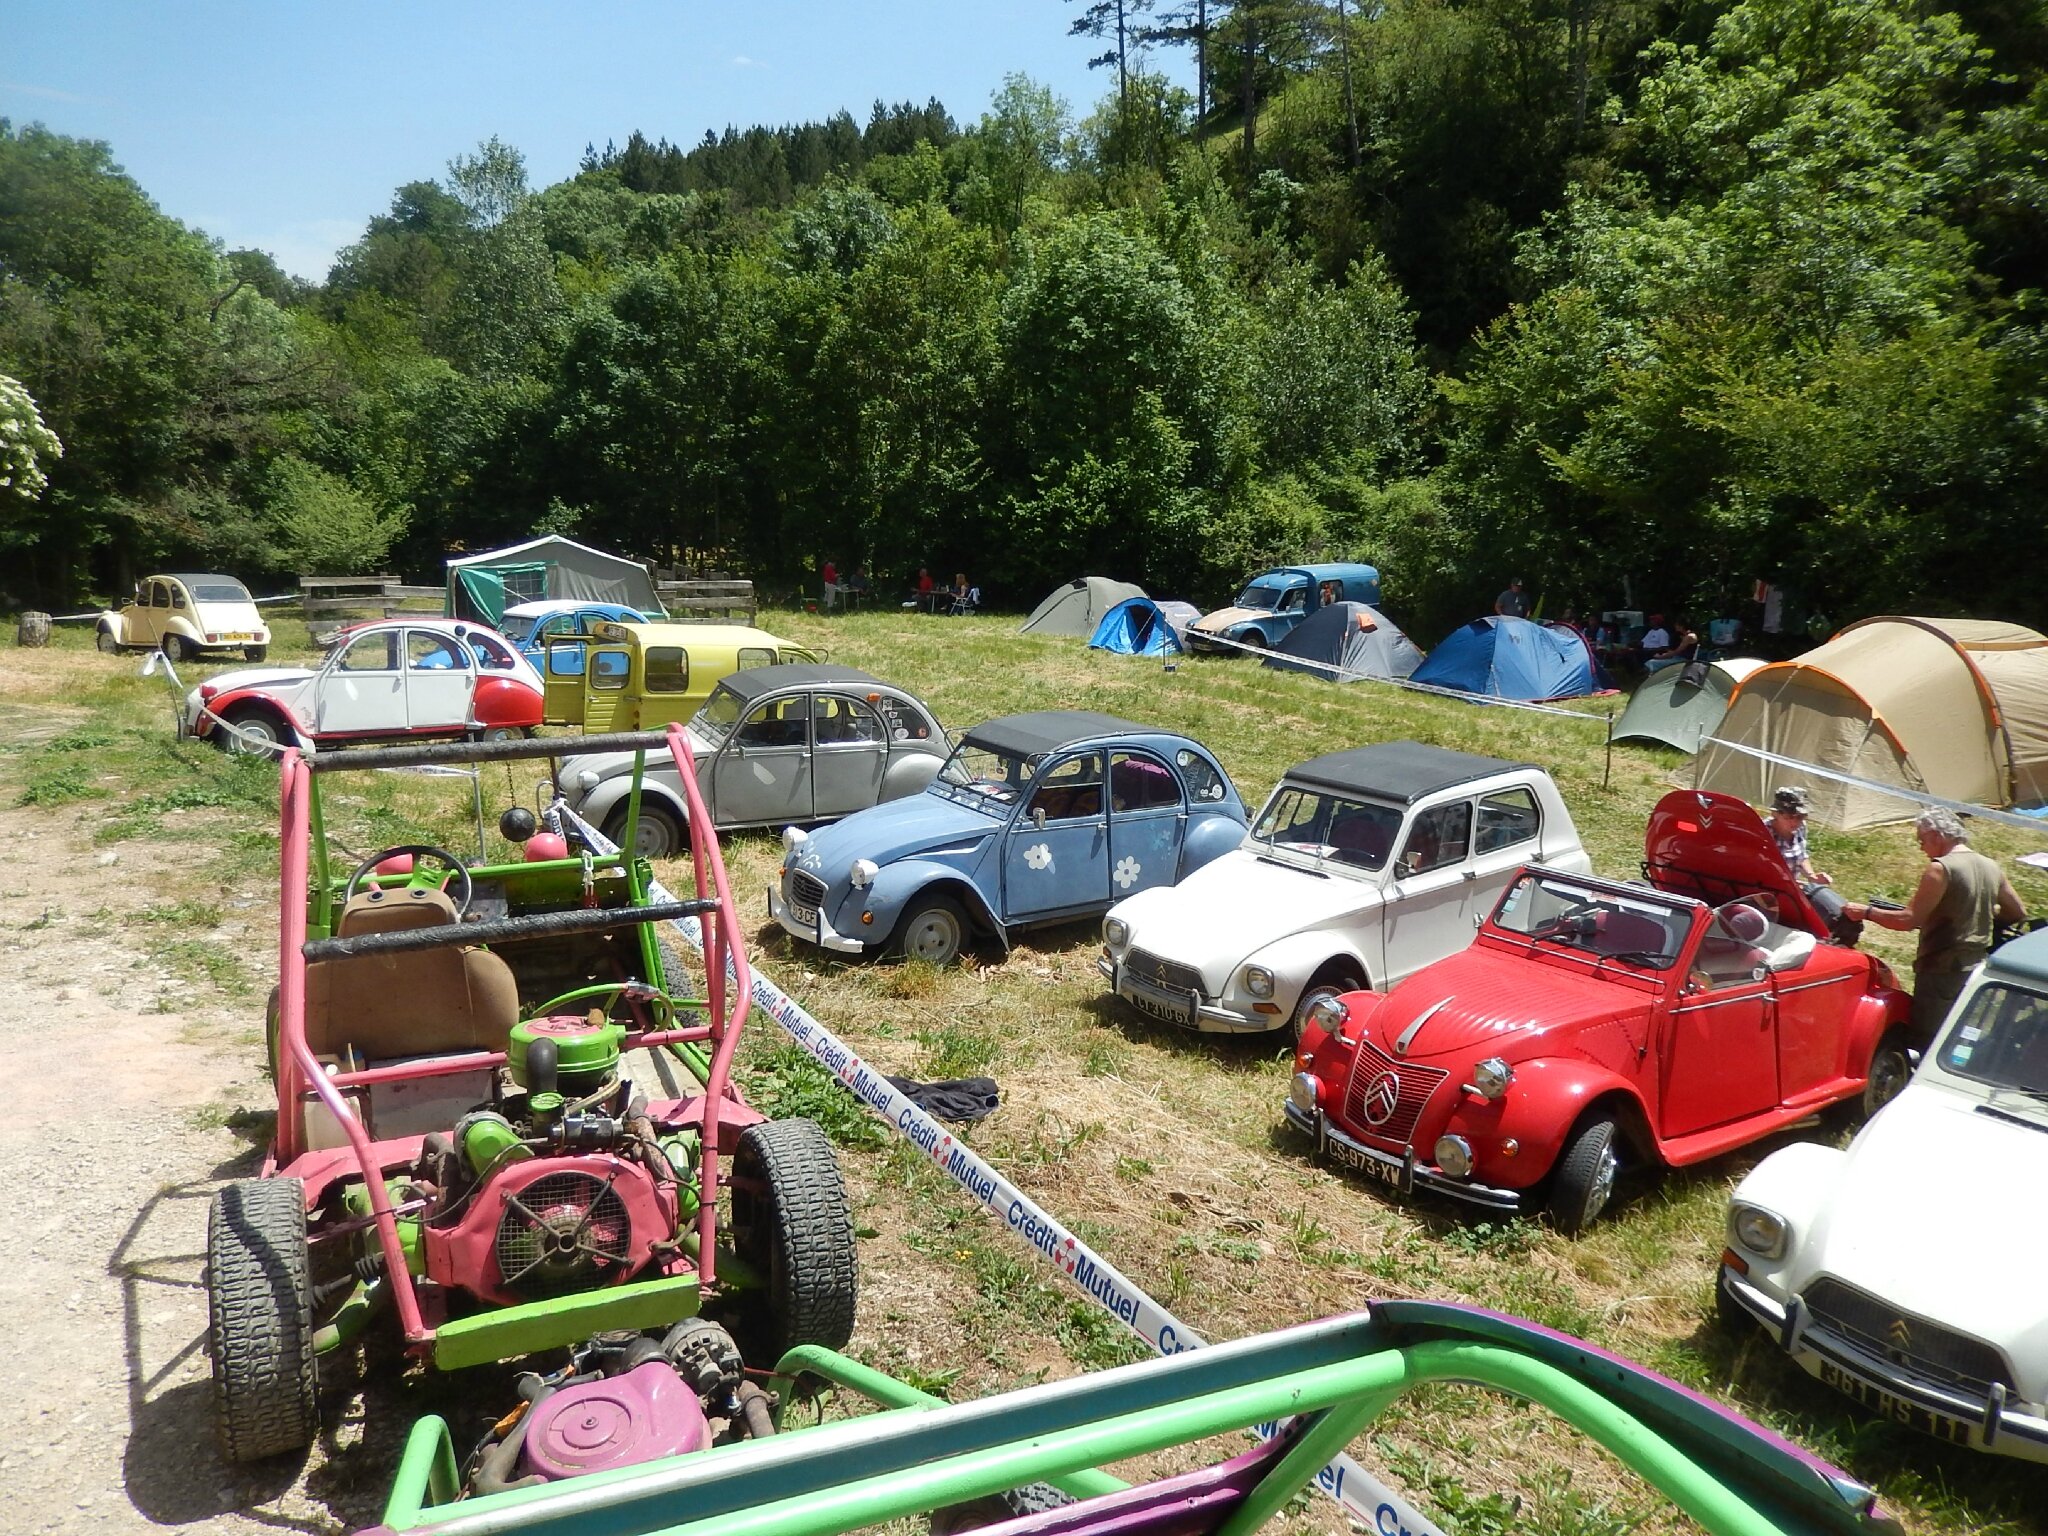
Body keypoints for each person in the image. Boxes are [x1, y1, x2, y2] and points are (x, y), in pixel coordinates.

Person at [1841, 807, 2026, 1047]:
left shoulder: (1940, 868)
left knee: (1928, 1039)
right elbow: (2018, 912)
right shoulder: (1991, 866)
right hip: (1975, 965)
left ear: (1937, 836)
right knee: (1960, 1035)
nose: (1921, 847)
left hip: (1941, 970)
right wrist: (1984, 918)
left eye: (1922, 840)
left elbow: (1908, 920)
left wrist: (1865, 912)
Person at [1764, 786, 1857, 943]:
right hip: (1769, 891)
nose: (1795, 822)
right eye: (1789, 817)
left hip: (1793, 888)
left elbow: (1802, 856)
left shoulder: (1801, 828)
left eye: (1800, 817)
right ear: (1775, 813)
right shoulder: (1763, 831)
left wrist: (1811, 876)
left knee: (1835, 914)